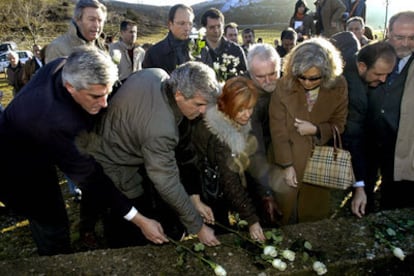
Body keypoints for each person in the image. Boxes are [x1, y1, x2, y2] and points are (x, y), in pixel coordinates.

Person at [0, 47, 157, 256]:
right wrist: (140, 220)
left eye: (107, 93)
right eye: (96, 97)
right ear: (70, 87)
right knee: (50, 219)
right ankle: (56, 260)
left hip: (34, 137)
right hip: (15, 165)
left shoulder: (70, 63)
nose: (105, 104)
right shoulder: (53, 122)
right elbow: (92, 178)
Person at [78, 61, 221, 248]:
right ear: (179, 95)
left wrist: (194, 198)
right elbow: (166, 182)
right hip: (111, 161)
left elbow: (182, 152)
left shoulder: (156, 74)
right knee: (126, 219)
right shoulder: (161, 129)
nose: (203, 111)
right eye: (199, 104)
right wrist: (198, 226)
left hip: (105, 138)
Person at [269, 37, 348, 225]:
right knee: (284, 215)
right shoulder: (284, 85)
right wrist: (286, 165)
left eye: (314, 78)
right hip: (286, 160)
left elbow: (340, 123)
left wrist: (316, 129)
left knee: (313, 217)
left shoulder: (339, 85)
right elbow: (277, 130)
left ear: (327, 73)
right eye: (301, 77)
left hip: (318, 164)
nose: (306, 82)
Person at [190, 76, 266, 241]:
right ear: (228, 106)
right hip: (206, 190)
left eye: (250, 108)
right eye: (240, 109)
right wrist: (252, 220)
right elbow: (229, 181)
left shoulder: (235, 121)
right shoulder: (221, 137)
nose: (247, 115)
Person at [332, 39, 397, 218]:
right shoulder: (354, 93)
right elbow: (353, 138)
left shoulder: (357, 60)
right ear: (362, 66)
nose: (383, 80)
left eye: (387, 74)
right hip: (351, 151)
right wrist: (359, 184)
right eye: (378, 74)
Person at [366, 11, 414, 211]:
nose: (405, 44)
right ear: (388, 32)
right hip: (369, 142)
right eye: (399, 37)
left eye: (412, 38)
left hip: (404, 146)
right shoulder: (370, 55)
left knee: (397, 200)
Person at [245, 43, 283, 226]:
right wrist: (266, 193)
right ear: (250, 75)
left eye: (273, 73)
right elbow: (255, 151)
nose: (268, 80)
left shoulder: (285, 86)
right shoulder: (249, 101)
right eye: (261, 77)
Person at [142, 4, 194, 73]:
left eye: (190, 24)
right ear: (170, 24)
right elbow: (149, 82)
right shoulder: (153, 54)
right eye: (182, 23)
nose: (187, 28)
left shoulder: (200, 49)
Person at [199, 8, 247, 82]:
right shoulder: (196, 50)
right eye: (212, 27)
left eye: (219, 26)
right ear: (204, 28)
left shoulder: (236, 50)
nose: (216, 30)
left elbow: (245, 77)